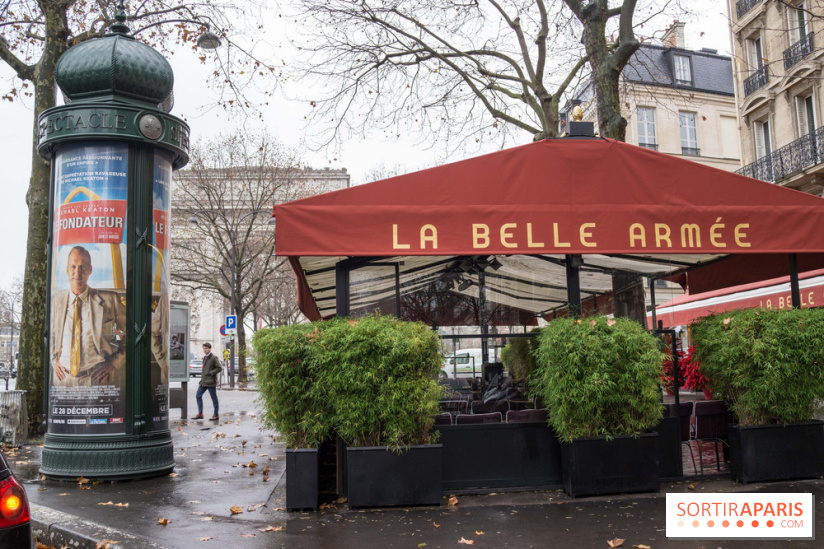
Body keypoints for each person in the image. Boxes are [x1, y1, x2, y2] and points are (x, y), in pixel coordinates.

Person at [50, 246, 126, 386]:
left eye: (82, 267)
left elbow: (127, 334)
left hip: (98, 378)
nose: (77, 272)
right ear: (67, 270)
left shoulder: (110, 300)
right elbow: (48, 335)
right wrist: (53, 360)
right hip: (63, 379)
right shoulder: (56, 301)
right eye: (73, 267)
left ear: (90, 270)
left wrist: (115, 362)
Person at [194, 342, 222, 420]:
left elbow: (219, 368)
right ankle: (200, 413)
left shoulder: (213, 358)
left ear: (210, 349)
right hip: (203, 382)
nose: (205, 350)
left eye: (206, 348)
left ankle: (216, 415)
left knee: (214, 398)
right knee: (198, 396)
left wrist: (211, 373)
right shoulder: (205, 358)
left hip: (210, 382)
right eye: (204, 348)